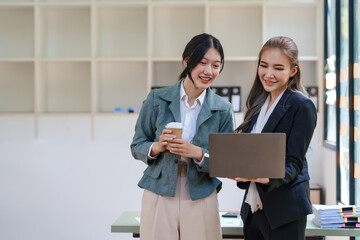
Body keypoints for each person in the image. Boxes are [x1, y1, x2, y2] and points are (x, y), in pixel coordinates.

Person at [130, 33, 235, 240]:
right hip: (159, 191)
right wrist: (157, 147)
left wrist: (198, 154)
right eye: (202, 63)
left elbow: (227, 162)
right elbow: (137, 145)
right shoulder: (156, 99)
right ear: (187, 61)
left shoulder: (223, 109)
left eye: (216, 65)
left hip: (201, 193)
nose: (208, 71)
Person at [231, 36, 317, 240]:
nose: (268, 74)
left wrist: (266, 177)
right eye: (264, 65)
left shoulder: (302, 106)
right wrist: (238, 168)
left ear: (293, 71)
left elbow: (294, 163)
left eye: (278, 68)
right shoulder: (257, 105)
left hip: (285, 211)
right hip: (253, 209)